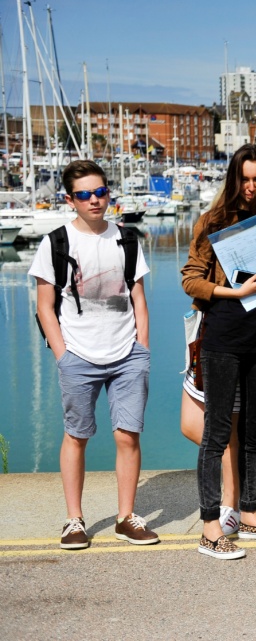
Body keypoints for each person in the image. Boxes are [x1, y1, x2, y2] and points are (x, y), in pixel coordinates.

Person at [181, 143, 256, 559]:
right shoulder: (212, 221)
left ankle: (249, 515)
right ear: (234, 178)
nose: (251, 186)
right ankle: (210, 527)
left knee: (254, 431)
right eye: (246, 179)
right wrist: (232, 292)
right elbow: (190, 279)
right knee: (216, 434)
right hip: (223, 336)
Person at [30, 159, 159, 550]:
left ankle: (126, 518)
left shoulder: (127, 239)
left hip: (127, 355)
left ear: (108, 194)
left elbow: (138, 298)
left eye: (100, 192)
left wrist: (142, 348)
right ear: (70, 200)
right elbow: (44, 307)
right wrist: (63, 355)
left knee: (128, 435)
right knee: (77, 436)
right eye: (84, 194)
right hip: (78, 356)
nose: (94, 200)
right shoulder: (56, 242)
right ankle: (74, 520)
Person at [179, 378, 256, 536]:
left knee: (229, 439)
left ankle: (231, 506)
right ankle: (249, 478)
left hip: (228, 366)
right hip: (199, 364)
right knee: (189, 426)